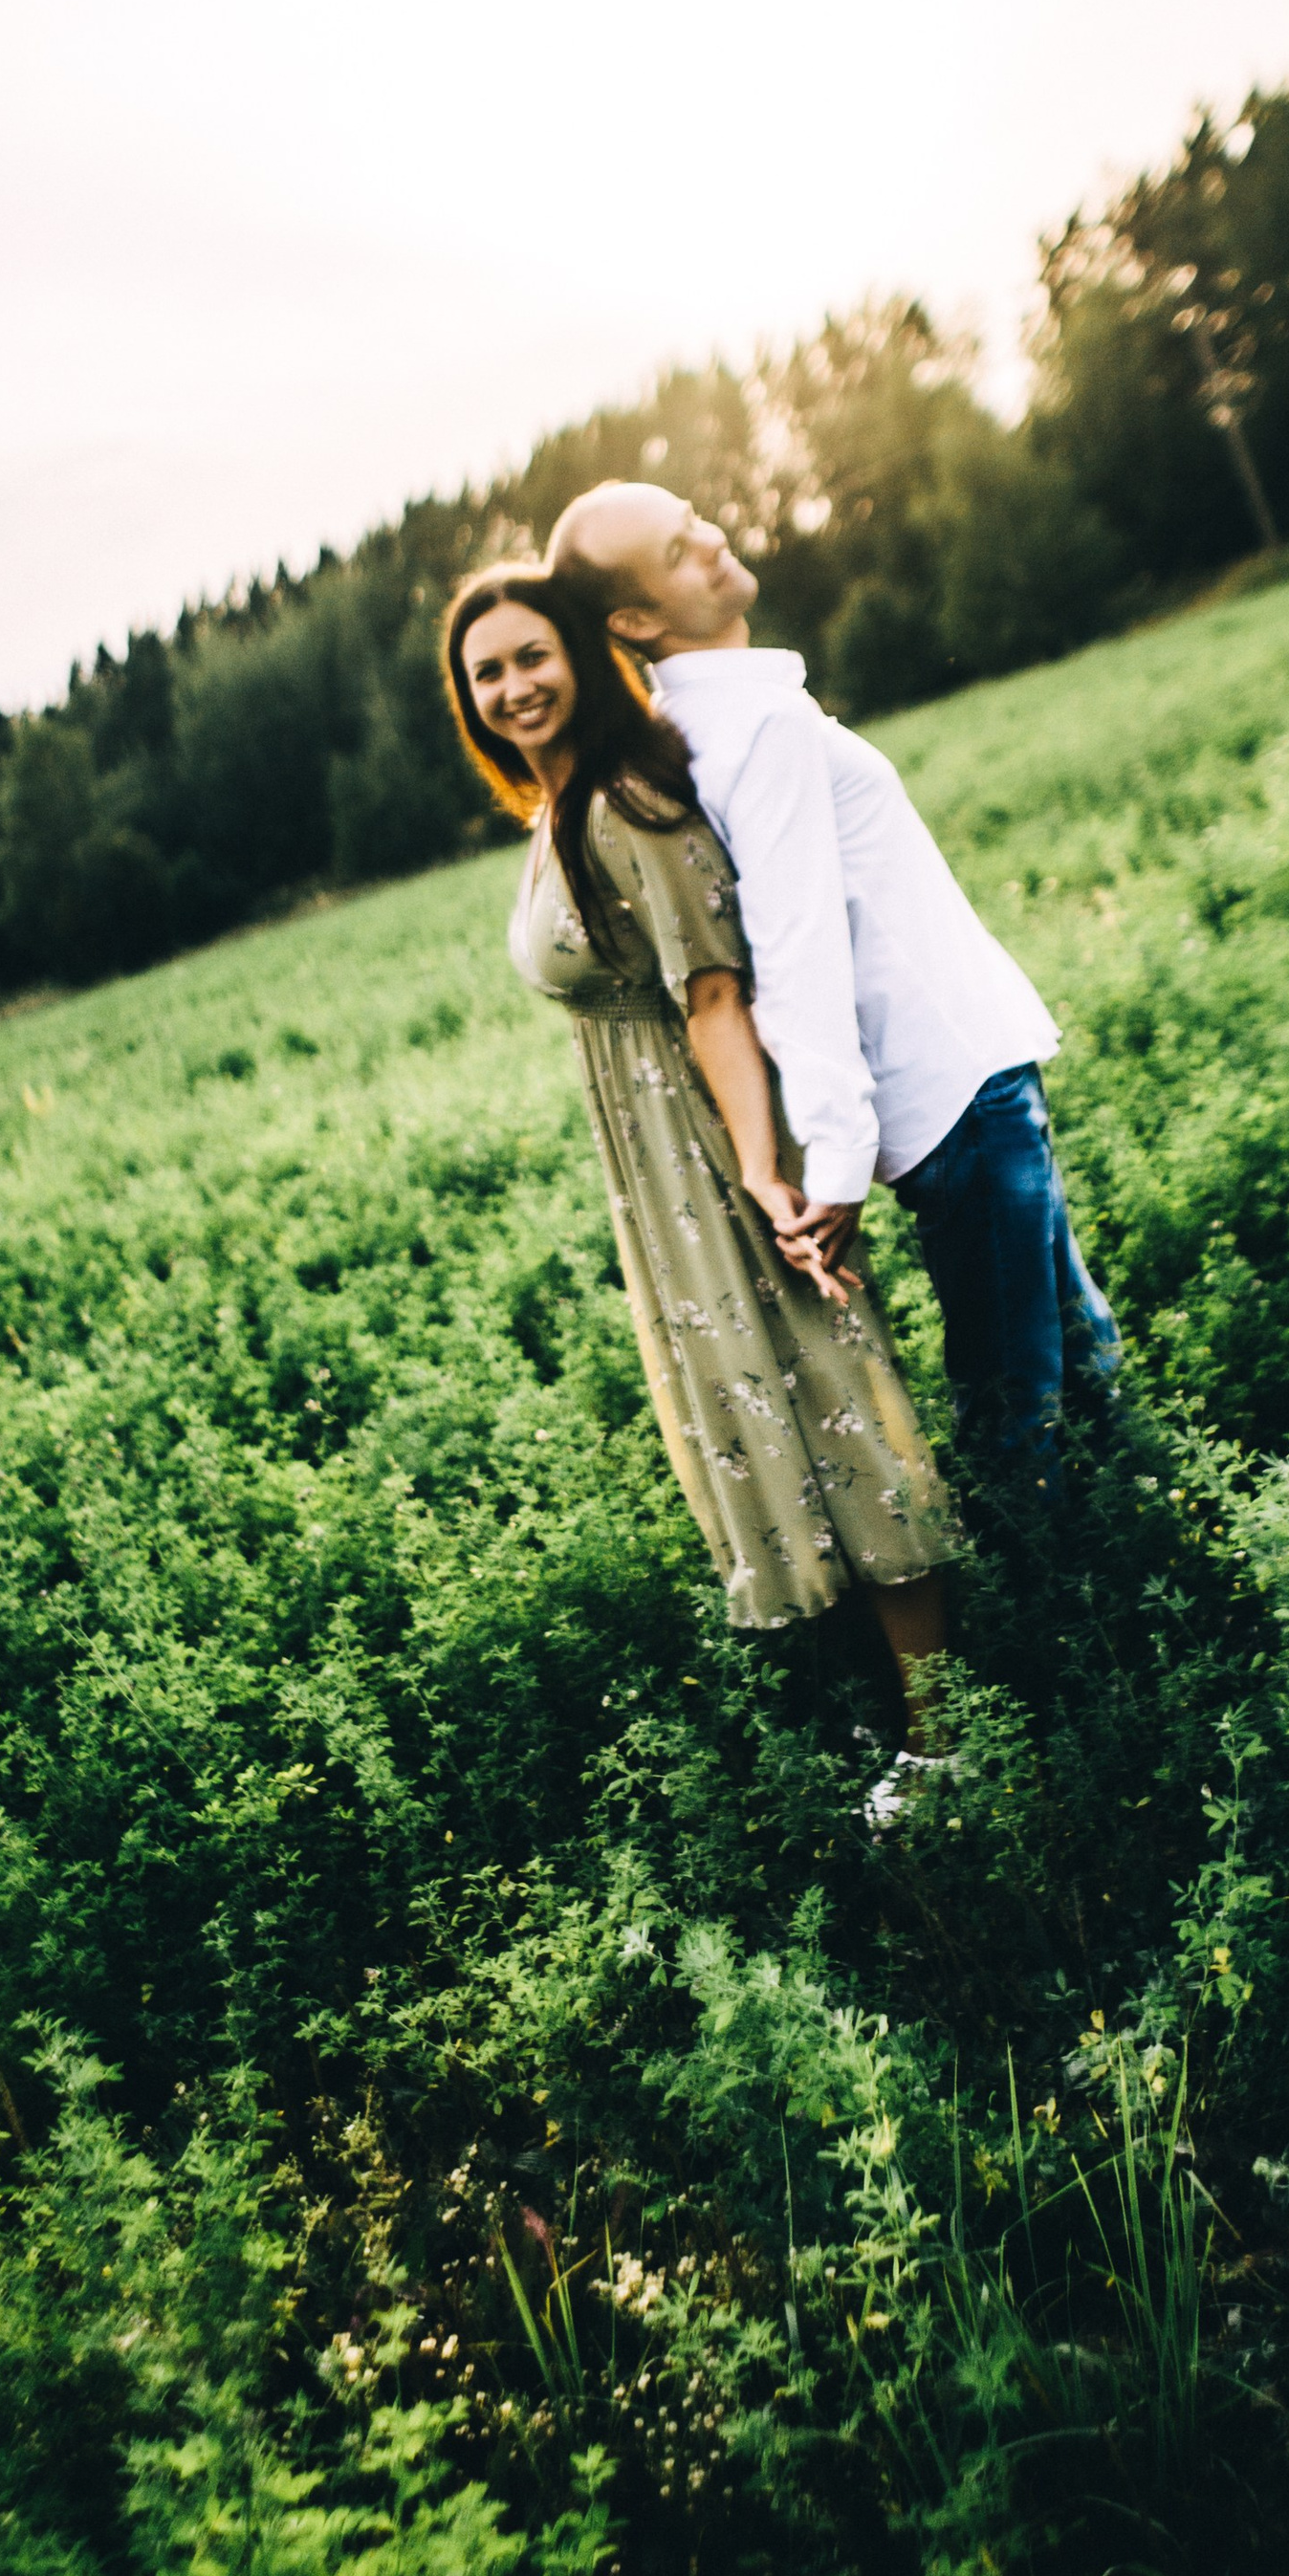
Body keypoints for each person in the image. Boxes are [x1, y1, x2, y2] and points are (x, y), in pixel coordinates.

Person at [441, 557, 963, 1771]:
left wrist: (762, 1173)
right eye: (487, 673)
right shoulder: (555, 807)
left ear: (580, 653)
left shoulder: (627, 800)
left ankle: (945, 1745)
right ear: (467, 701)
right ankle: (880, 1723)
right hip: (653, 1166)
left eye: (531, 656)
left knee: (833, 1411)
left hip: (708, 1146)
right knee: (764, 1418)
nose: (513, 686)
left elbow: (714, 995)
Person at [542, 481, 1120, 1513]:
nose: (713, 540)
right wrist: (837, 1154)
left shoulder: (713, 717)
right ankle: (1063, 1628)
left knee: (1075, 1353)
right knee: (1021, 1404)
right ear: (634, 620)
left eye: (695, 520)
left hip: (960, 1077)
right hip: (952, 1092)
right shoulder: (751, 724)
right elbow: (791, 942)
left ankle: (1140, 1545)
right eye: (679, 549)